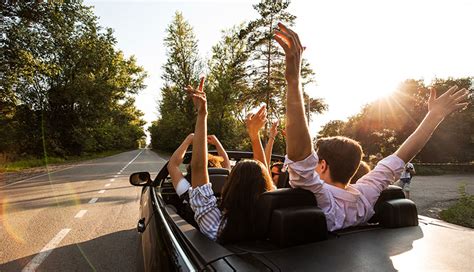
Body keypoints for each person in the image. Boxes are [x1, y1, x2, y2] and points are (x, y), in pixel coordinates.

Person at [274, 22, 470, 231]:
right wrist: (434, 116)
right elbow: (402, 155)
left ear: (322, 166)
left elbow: (301, 158)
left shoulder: (321, 197)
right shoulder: (366, 196)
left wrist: (293, 81)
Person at [185, 78, 274, 243]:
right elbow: (264, 174)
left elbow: (197, 167)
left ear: (230, 185)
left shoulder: (216, 226)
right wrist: (255, 137)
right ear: (267, 185)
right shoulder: (275, 221)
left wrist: (202, 114)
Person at [167, 133, 230, 200]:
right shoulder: (228, 188)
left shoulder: (189, 191)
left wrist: (189, 139)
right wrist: (217, 143)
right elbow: (227, 168)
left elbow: (172, 165)